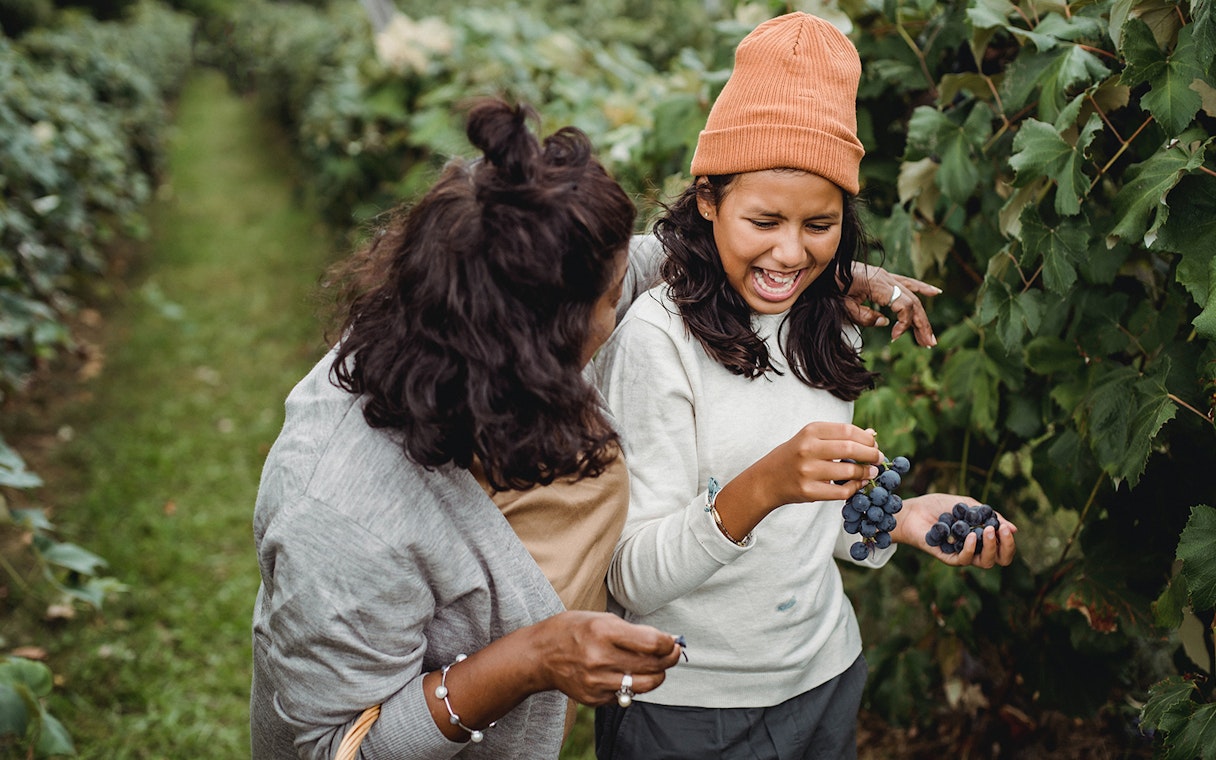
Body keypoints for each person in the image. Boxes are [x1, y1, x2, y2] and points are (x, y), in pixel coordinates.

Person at [591, 12, 1019, 759]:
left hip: (824, 677)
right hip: (690, 706)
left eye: (820, 225)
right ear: (707, 198)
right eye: (765, 219)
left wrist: (902, 519)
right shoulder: (657, 344)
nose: (791, 253)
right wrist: (762, 487)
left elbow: (805, 528)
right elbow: (630, 573)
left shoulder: (827, 321)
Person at [249, 99, 685, 759]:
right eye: (609, 295)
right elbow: (334, 748)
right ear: (535, 347)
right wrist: (534, 658)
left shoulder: (469, 316)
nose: (620, 303)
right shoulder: (342, 515)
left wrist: (811, 283)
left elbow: (634, 267)